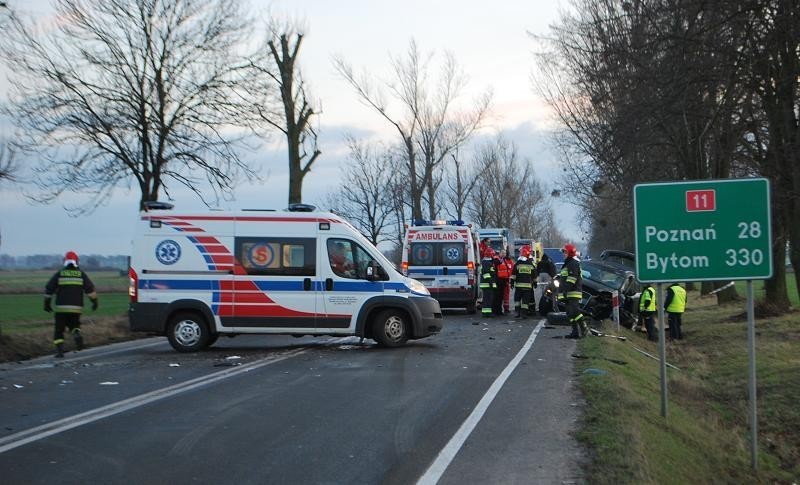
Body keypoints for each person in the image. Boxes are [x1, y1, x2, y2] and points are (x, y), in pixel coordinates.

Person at [44, 251, 98, 358]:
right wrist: (94, 302)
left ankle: (60, 351)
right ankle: (76, 334)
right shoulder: (81, 274)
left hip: (61, 309)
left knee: (59, 329)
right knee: (74, 325)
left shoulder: (59, 274)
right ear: (77, 261)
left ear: (64, 261)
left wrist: (47, 304)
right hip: (76, 308)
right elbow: (90, 290)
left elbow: (49, 289)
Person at [559, 243, 587, 339]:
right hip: (568, 293)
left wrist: (565, 289)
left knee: (575, 311)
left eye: (565, 252)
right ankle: (575, 332)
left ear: (570, 253)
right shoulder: (568, 263)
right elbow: (565, 276)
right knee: (569, 313)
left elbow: (572, 278)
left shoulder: (573, 263)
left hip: (573, 292)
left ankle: (584, 328)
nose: (563, 254)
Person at [511, 245, 536, 318]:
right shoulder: (530, 263)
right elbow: (534, 274)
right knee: (525, 301)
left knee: (517, 299)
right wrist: (535, 282)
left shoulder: (518, 263)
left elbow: (513, 273)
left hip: (518, 286)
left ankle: (517, 312)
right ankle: (524, 314)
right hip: (527, 286)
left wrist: (512, 282)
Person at [479, 248, 497, 318]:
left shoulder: (486, 262)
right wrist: (491, 282)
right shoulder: (486, 263)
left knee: (486, 299)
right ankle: (488, 313)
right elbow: (486, 274)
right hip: (487, 284)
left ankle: (485, 313)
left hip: (486, 284)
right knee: (488, 299)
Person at [495, 250, 513, 315]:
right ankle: (499, 310)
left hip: (506, 281)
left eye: (505, 253)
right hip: (499, 281)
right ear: (499, 253)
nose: (504, 254)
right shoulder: (498, 260)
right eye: (502, 253)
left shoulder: (507, 260)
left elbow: (511, 269)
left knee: (505, 296)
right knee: (499, 296)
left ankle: (506, 308)